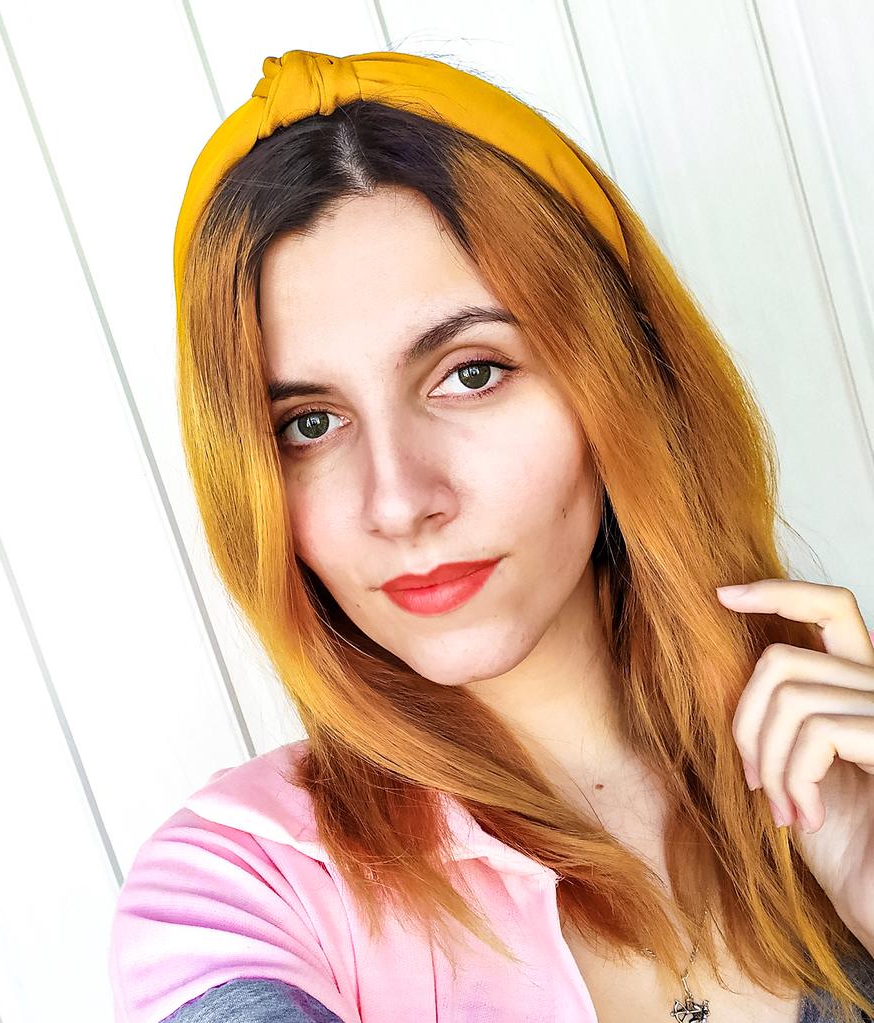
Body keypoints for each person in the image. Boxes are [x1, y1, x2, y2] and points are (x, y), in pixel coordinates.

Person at [108, 48, 874, 1023]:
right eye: (309, 423)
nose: (399, 500)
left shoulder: (848, 763)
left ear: (622, 380)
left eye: (470, 373)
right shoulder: (240, 893)